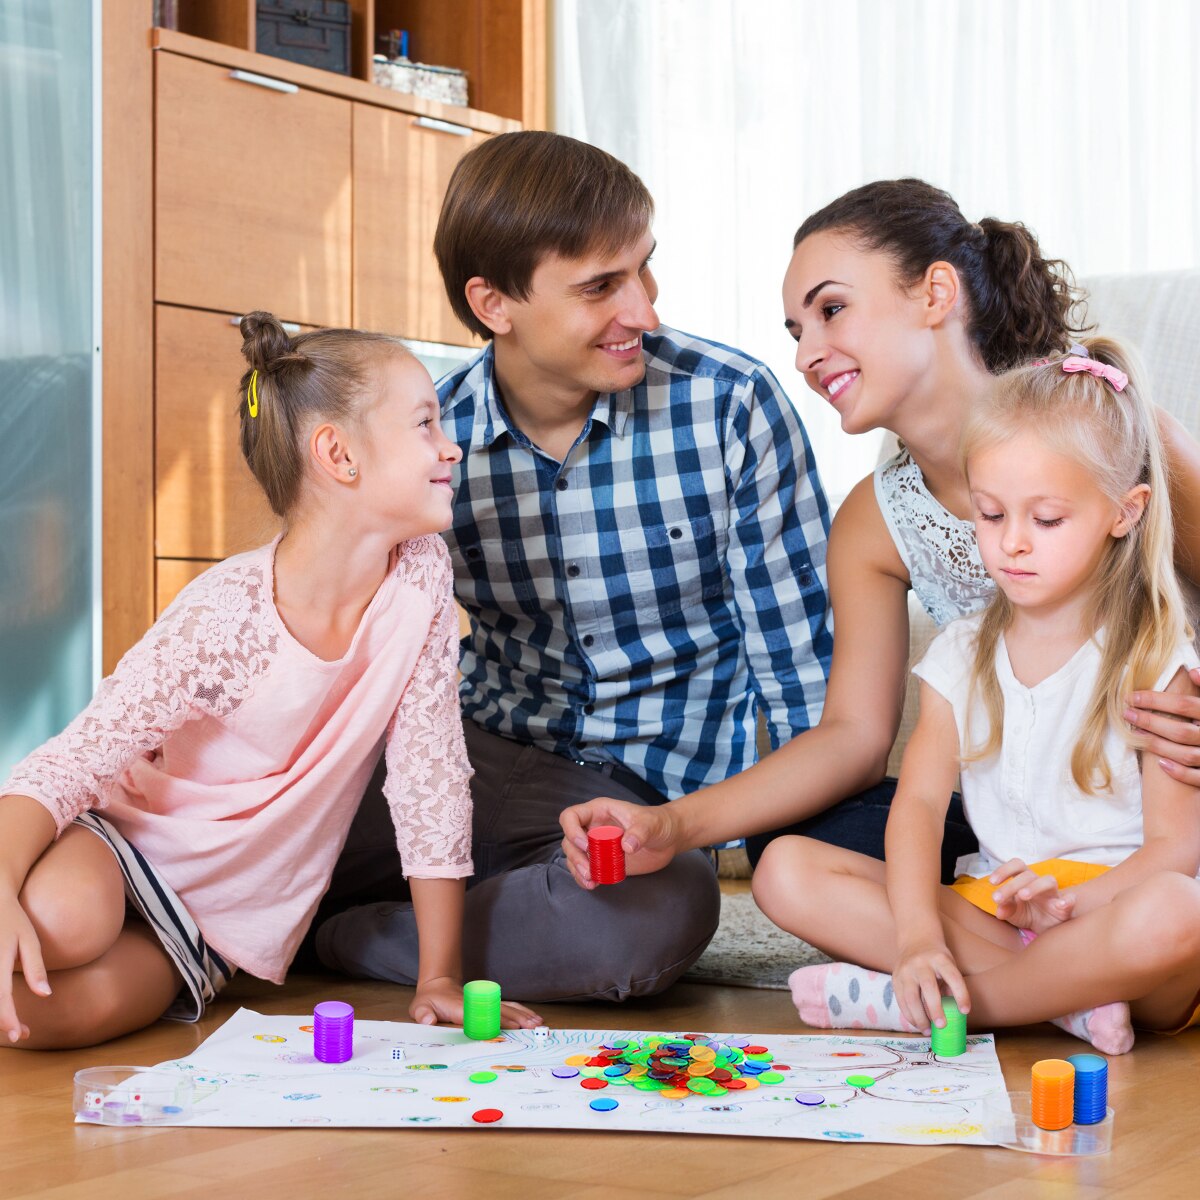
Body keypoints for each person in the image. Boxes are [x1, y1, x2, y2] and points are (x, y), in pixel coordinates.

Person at [309, 131, 834, 1001]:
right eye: (600, 287)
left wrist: (721, 829)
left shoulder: (730, 406)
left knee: (644, 928)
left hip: (642, 804)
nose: (645, 312)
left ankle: (337, 937)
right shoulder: (434, 436)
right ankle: (446, 910)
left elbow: (807, 695)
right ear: (493, 304)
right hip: (470, 759)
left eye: (643, 271)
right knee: (245, 831)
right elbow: (348, 640)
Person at [560, 179, 1200, 887]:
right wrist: (674, 826)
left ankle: (1014, 949)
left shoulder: (1114, 431)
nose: (807, 355)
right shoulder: (872, 520)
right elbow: (854, 740)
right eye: (798, 332)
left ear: (935, 294)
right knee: (791, 836)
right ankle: (1017, 933)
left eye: (832, 310)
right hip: (1018, 814)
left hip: (1161, 795)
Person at [0, 312, 541, 1049]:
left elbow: (430, 780)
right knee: (65, 922)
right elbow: (75, 756)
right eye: (424, 423)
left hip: (215, 923)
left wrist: (438, 976)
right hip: (128, 847)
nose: (450, 446)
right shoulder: (225, 613)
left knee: (37, 1021)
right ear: (338, 454)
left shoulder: (420, 579)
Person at [757, 339, 1200, 1055]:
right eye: (991, 515)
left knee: (1179, 913)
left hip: (1114, 917)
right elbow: (921, 810)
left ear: (1125, 511)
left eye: (1046, 520)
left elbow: (1174, 853)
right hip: (996, 911)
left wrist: (1066, 906)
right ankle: (1058, 1003)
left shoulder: (1154, 657)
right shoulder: (962, 653)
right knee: (785, 869)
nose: (1013, 545)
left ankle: (951, 1006)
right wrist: (918, 938)